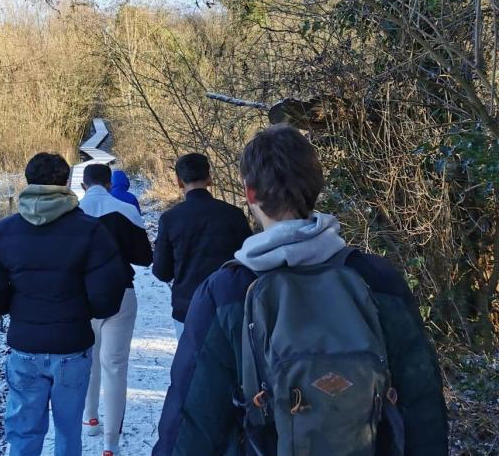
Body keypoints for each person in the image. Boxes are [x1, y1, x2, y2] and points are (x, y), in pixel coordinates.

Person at [153, 125, 448, 455]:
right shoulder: (378, 280)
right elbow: (423, 406)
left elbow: (191, 420)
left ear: (250, 193)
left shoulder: (225, 292)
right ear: (317, 187)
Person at [0, 152, 128, 456]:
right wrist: (85, 312)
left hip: (25, 347)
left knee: (24, 431)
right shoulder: (91, 231)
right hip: (72, 346)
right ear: (67, 182)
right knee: (68, 432)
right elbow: (108, 293)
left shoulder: (5, 231)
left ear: (28, 181)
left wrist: (12, 304)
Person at [79, 163, 152, 456]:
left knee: (89, 359)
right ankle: (111, 444)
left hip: (81, 297)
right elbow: (145, 258)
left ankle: (90, 418)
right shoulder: (126, 211)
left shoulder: (70, 213)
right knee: (115, 366)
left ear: (83, 185)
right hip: (121, 293)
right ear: (110, 184)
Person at [152, 152, 251, 339]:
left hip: (188, 307)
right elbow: (248, 261)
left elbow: (162, 272)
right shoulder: (234, 214)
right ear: (209, 178)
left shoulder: (170, 219)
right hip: (230, 304)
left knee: (192, 365)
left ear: (179, 182)